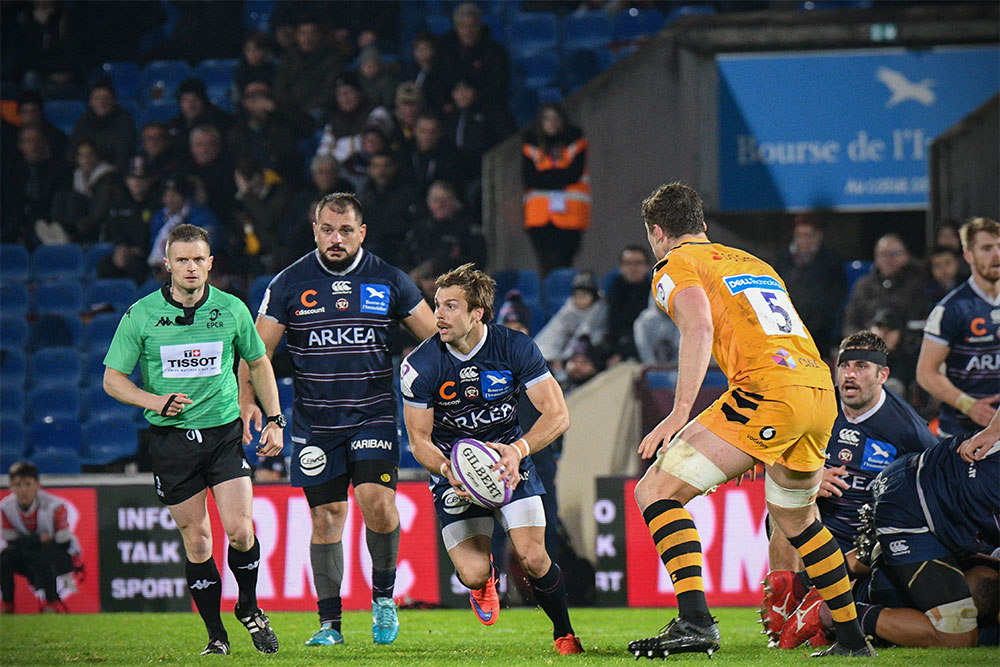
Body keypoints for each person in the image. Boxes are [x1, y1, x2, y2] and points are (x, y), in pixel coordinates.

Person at [628, 183, 873, 658]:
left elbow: (698, 324)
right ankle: (852, 639)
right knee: (798, 519)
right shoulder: (753, 262)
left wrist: (679, 411)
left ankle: (695, 622)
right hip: (818, 388)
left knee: (655, 491)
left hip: (766, 390)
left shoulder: (675, 264)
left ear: (658, 232)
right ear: (700, 224)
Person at [238, 193, 436, 647]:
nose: (336, 238)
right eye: (327, 229)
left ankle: (383, 599)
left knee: (378, 505)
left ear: (361, 233)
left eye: (346, 230)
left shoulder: (389, 280)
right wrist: (250, 402)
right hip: (315, 425)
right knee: (326, 518)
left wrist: (436, 397)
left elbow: (433, 342)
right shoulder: (289, 284)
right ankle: (330, 626)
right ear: (315, 230)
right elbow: (256, 352)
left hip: (373, 417)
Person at [103, 223, 284, 656]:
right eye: (181, 259)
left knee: (241, 532)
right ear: (166, 263)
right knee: (199, 540)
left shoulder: (232, 309)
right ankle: (215, 636)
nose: (190, 267)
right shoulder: (142, 314)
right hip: (170, 441)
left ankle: (249, 606)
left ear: (210, 263)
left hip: (222, 434)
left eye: (198, 259)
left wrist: (275, 418)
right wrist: (153, 399)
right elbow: (112, 379)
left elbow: (259, 363)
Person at [399, 263, 584, 655]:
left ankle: (565, 634)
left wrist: (518, 452)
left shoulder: (515, 347)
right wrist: (450, 470)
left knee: (535, 558)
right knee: (472, 572)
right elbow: (419, 440)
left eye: (451, 306)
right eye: (437, 305)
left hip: (508, 459)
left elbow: (558, 415)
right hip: (453, 469)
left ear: (476, 313)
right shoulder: (420, 365)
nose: (438, 315)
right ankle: (484, 583)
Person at [760, 331, 937, 648]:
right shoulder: (817, 408)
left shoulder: (909, 431)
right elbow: (776, 458)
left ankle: (821, 615)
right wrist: (812, 476)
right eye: (844, 366)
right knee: (789, 509)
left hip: (867, 544)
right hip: (820, 528)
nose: (850, 374)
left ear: (883, 374)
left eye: (861, 366)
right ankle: (786, 614)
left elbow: (933, 491)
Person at [857, 409, 1000, 648]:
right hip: (911, 508)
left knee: (987, 589)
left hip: (947, 513)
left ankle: (880, 571)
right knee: (958, 637)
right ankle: (840, 614)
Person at [917, 217, 1000, 437]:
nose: (997, 255)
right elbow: (926, 373)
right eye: (986, 248)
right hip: (961, 432)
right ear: (968, 256)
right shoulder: (951, 309)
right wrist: (968, 405)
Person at [1, 461, 83, 614]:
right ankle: (7, 605)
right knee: (5, 557)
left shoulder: (55, 505)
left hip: (58, 555)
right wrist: (38, 540)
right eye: (18, 485)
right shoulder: (6, 507)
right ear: (11, 486)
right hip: (26, 554)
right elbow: (11, 542)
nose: (23, 490)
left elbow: (63, 542)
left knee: (42, 554)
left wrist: (33, 543)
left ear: (37, 485)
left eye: (28, 484)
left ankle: (52, 602)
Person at [522, 103, 590, 275]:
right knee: (545, 265)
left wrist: (546, 176)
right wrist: (558, 176)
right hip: (539, 216)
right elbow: (529, 179)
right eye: (546, 118)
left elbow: (573, 174)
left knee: (563, 264)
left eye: (555, 118)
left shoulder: (576, 142)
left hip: (570, 215)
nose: (551, 122)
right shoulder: (531, 145)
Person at [774, 215, 845, 358]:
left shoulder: (831, 260)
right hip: (786, 328)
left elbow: (836, 297)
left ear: (818, 235)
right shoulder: (783, 259)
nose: (804, 240)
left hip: (820, 332)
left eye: (809, 235)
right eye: (800, 235)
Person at [842, 233, 925, 337]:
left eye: (894, 254)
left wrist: (897, 337)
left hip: (905, 346)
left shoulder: (917, 284)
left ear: (906, 256)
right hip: (868, 343)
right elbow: (849, 323)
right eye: (883, 254)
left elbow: (918, 323)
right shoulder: (863, 285)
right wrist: (867, 338)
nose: (889, 260)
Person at [534, 271, 608, 370]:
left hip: (589, 360)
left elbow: (583, 337)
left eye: (584, 295)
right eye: (577, 295)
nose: (579, 300)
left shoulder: (600, 311)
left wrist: (563, 360)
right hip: (563, 360)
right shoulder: (569, 309)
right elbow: (553, 333)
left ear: (594, 297)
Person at [604, 245, 653, 363]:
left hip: (643, 353)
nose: (633, 268)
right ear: (620, 268)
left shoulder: (655, 295)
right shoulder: (612, 292)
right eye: (628, 264)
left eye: (638, 263)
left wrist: (623, 353)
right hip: (612, 352)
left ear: (647, 267)